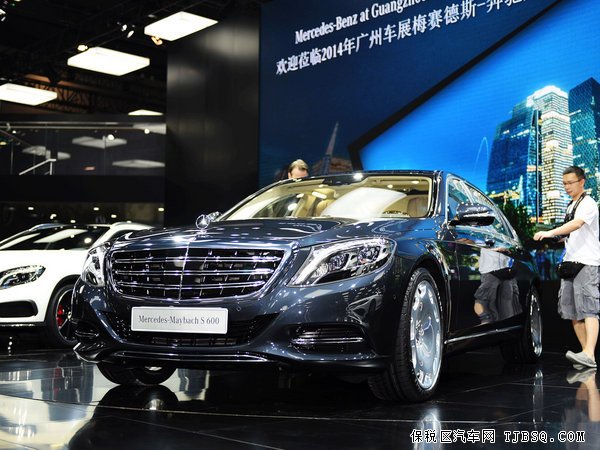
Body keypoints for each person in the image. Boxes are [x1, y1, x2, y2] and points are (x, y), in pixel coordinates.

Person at [534, 166, 600, 369]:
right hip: (570, 262)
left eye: (570, 183)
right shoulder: (571, 205)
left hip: (587, 262)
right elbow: (571, 232)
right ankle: (587, 355)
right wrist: (558, 238)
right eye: (564, 183)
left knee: (589, 309)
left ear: (582, 182)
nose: (567, 187)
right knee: (572, 311)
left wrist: (550, 232)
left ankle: (589, 353)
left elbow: (577, 224)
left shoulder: (588, 203)